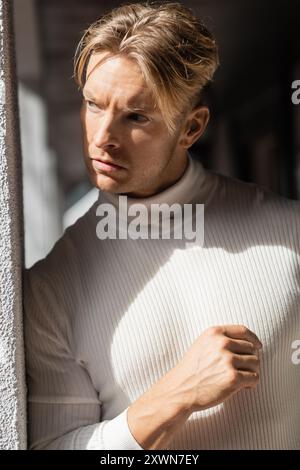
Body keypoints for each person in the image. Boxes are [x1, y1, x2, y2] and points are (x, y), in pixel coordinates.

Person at [23, 2, 300, 450]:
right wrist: (176, 396)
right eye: (93, 104)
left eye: (136, 116)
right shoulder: (52, 286)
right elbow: (54, 445)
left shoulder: (291, 235)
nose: (102, 137)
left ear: (191, 128)